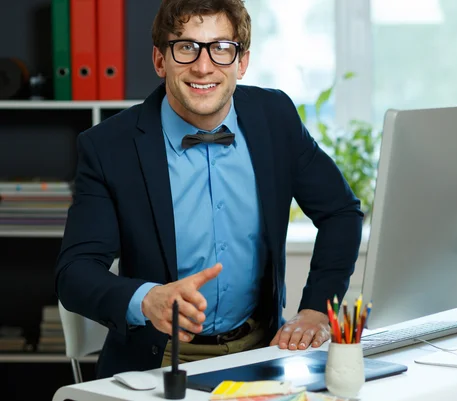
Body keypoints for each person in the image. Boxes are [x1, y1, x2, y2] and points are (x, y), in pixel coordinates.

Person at [55, 0, 363, 379]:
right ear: (159, 60)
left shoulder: (275, 117)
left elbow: (341, 212)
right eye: (186, 47)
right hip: (158, 362)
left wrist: (317, 308)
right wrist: (147, 299)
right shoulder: (108, 147)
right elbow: (75, 273)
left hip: (262, 357)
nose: (203, 66)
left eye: (221, 48)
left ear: (242, 62)